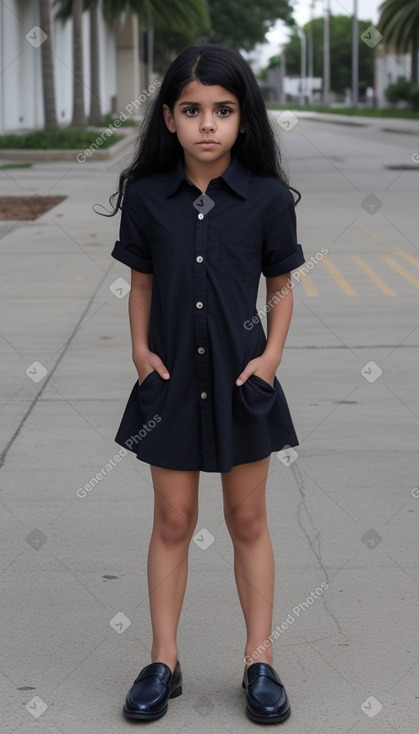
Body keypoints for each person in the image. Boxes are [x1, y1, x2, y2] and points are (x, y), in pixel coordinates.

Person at [108, 43, 305, 724]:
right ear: (168, 118)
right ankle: (163, 659)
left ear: (242, 119)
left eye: (222, 110)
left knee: (246, 519)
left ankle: (259, 660)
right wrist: (139, 351)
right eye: (191, 110)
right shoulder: (148, 199)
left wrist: (271, 356)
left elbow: (280, 288)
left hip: (240, 381)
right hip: (168, 383)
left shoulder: (267, 198)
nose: (207, 124)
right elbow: (140, 284)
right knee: (172, 520)